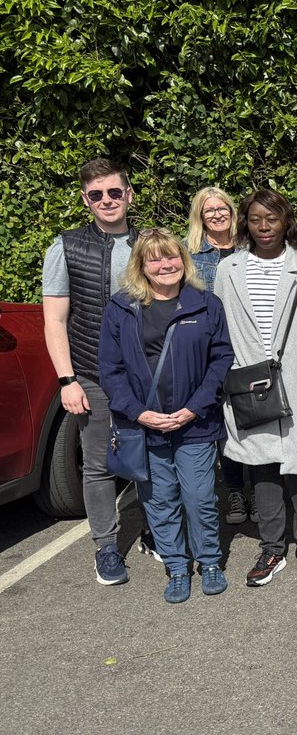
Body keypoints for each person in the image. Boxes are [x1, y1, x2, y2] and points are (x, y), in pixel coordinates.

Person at [99, 230, 235, 602]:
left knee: (200, 497)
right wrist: (139, 413)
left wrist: (194, 407)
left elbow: (221, 359)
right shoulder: (121, 307)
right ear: (141, 266)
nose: (165, 265)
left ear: (183, 259)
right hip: (145, 427)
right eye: (155, 259)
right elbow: (110, 369)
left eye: (171, 256)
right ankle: (176, 567)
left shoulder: (206, 304)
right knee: (160, 501)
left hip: (196, 423)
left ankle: (208, 561)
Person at [214, 189, 297, 586]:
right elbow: (220, 335)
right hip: (250, 387)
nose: (264, 227)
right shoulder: (228, 270)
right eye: (255, 219)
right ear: (244, 223)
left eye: (272, 218)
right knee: (262, 467)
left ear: (286, 221)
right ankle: (271, 548)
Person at [43, 158, 144, 585]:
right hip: (90, 372)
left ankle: (156, 532)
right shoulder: (65, 246)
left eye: (113, 192)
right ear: (86, 200)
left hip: (146, 375)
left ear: (129, 195)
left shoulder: (150, 243)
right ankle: (106, 548)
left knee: (151, 460)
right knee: (100, 465)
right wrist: (67, 380)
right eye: (96, 194)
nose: (107, 200)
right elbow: (54, 321)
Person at [186, 186, 252, 526]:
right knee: (222, 423)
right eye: (208, 210)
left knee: (253, 418)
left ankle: (256, 489)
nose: (216, 214)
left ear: (232, 210)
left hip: (249, 345)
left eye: (222, 207)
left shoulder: (249, 247)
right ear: (200, 215)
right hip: (209, 350)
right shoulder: (189, 253)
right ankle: (236, 490)